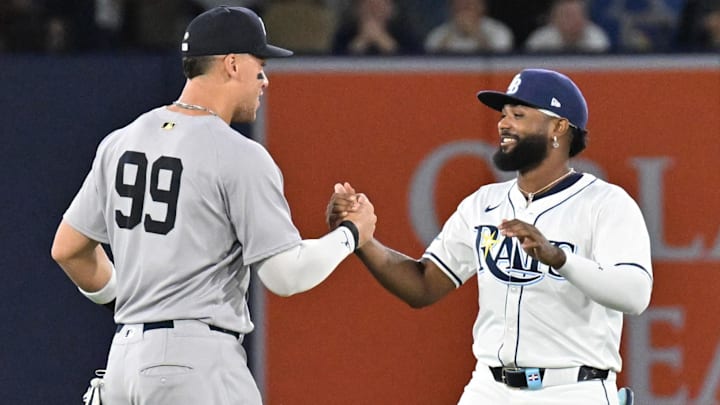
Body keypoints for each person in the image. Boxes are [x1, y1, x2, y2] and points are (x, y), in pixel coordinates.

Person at [50, 6, 376, 405]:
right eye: (260, 65)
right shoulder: (237, 153)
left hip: (123, 362)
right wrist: (351, 235)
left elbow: (68, 249)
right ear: (233, 64)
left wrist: (138, 310)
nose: (265, 79)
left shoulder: (121, 141)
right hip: (195, 363)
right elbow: (285, 275)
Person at [328, 68, 652, 404]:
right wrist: (360, 239)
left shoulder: (605, 203)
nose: (504, 123)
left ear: (558, 127)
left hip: (571, 387)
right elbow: (423, 285)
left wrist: (560, 258)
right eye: (503, 114)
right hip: (489, 387)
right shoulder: (483, 203)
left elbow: (635, 294)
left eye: (519, 114)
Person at [331, 0, 422, 55]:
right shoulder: (345, 33)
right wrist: (361, 42)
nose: (374, 12)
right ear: (358, 9)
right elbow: (332, 64)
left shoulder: (404, 32)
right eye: (368, 6)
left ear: (390, 9)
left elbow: (419, 63)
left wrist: (385, 42)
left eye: (379, 7)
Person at [424, 0, 514, 54]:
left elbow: (502, 61)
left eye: (469, 4)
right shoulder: (439, 34)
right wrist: (452, 32)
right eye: (460, 5)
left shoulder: (498, 31)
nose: (465, 9)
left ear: (482, 6)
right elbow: (429, 62)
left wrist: (476, 34)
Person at [525, 0, 610, 53]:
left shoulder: (597, 39)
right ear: (554, 19)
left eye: (578, 15)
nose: (574, 21)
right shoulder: (540, 41)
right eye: (567, 16)